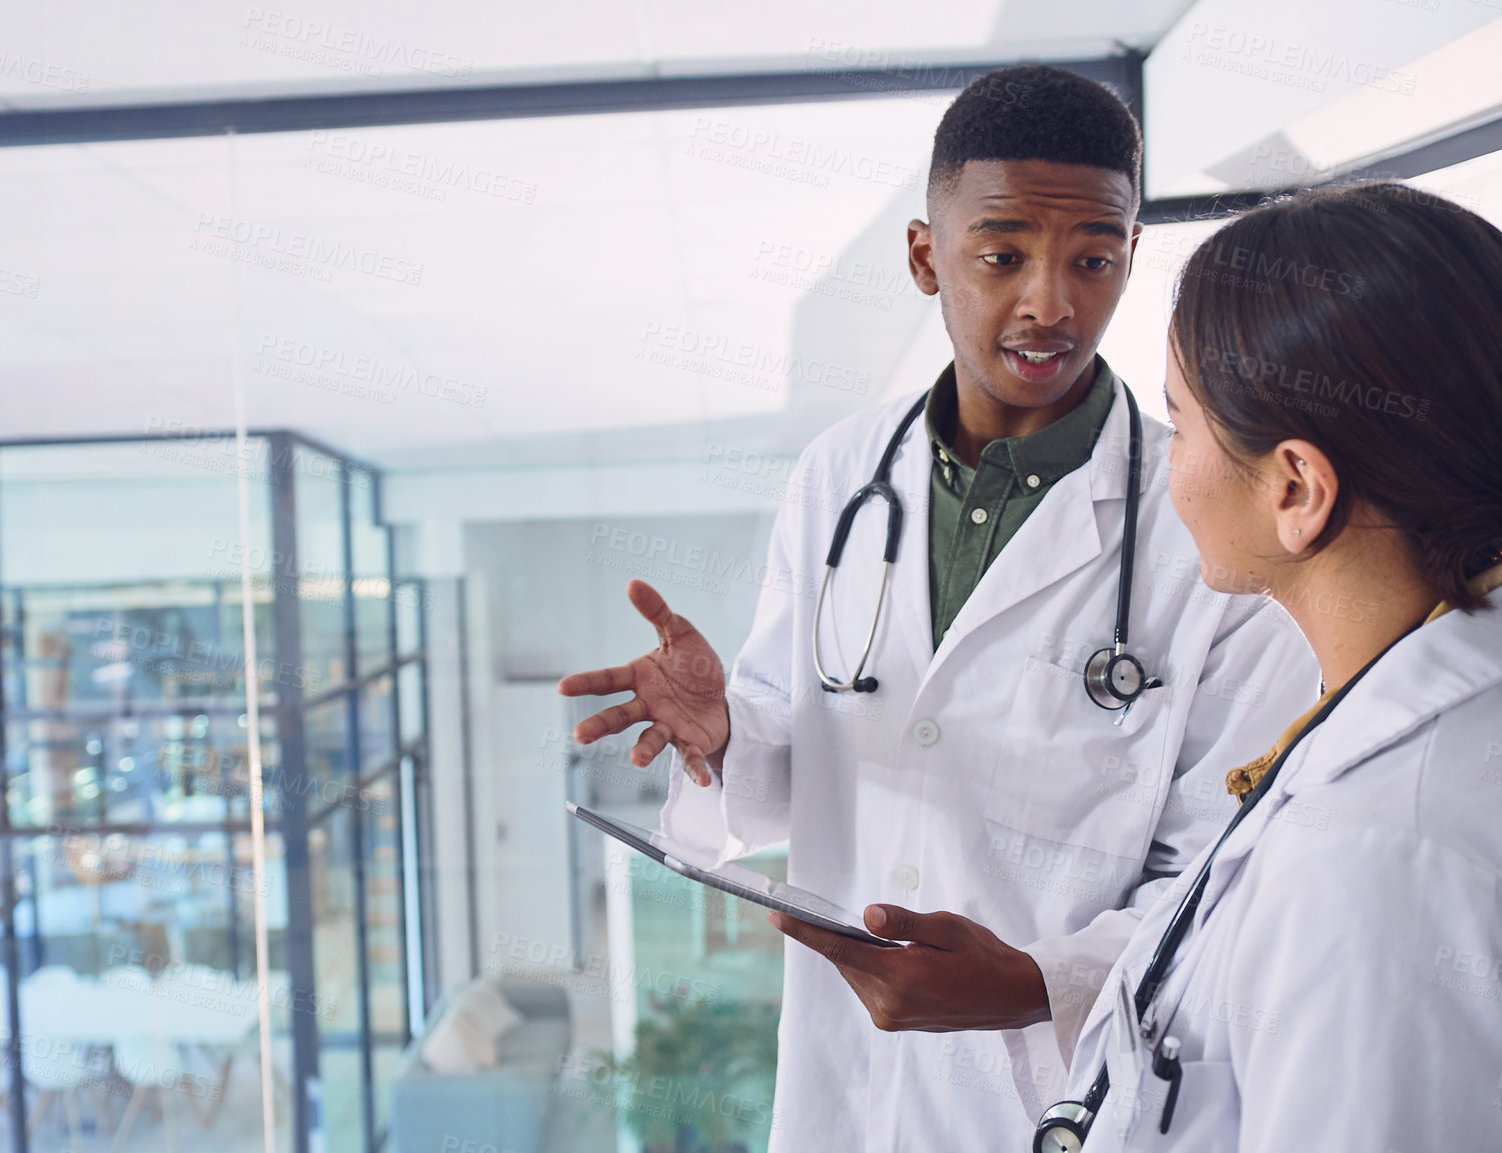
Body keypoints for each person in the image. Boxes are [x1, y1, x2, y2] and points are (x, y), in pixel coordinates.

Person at [559, 66, 1318, 1150]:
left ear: (1131, 256)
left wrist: (1034, 984)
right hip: (843, 1088)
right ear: (925, 257)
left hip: (1054, 1102)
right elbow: (793, 758)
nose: (1051, 302)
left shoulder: (1206, 522)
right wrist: (728, 730)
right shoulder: (837, 475)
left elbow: (1221, 879)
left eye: (1092, 258)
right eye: (1001, 254)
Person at [1049, 181, 1502, 1152]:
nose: (1170, 464)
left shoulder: (1385, 865)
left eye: (1181, 423)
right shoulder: (1484, 716)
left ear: (1295, 487)